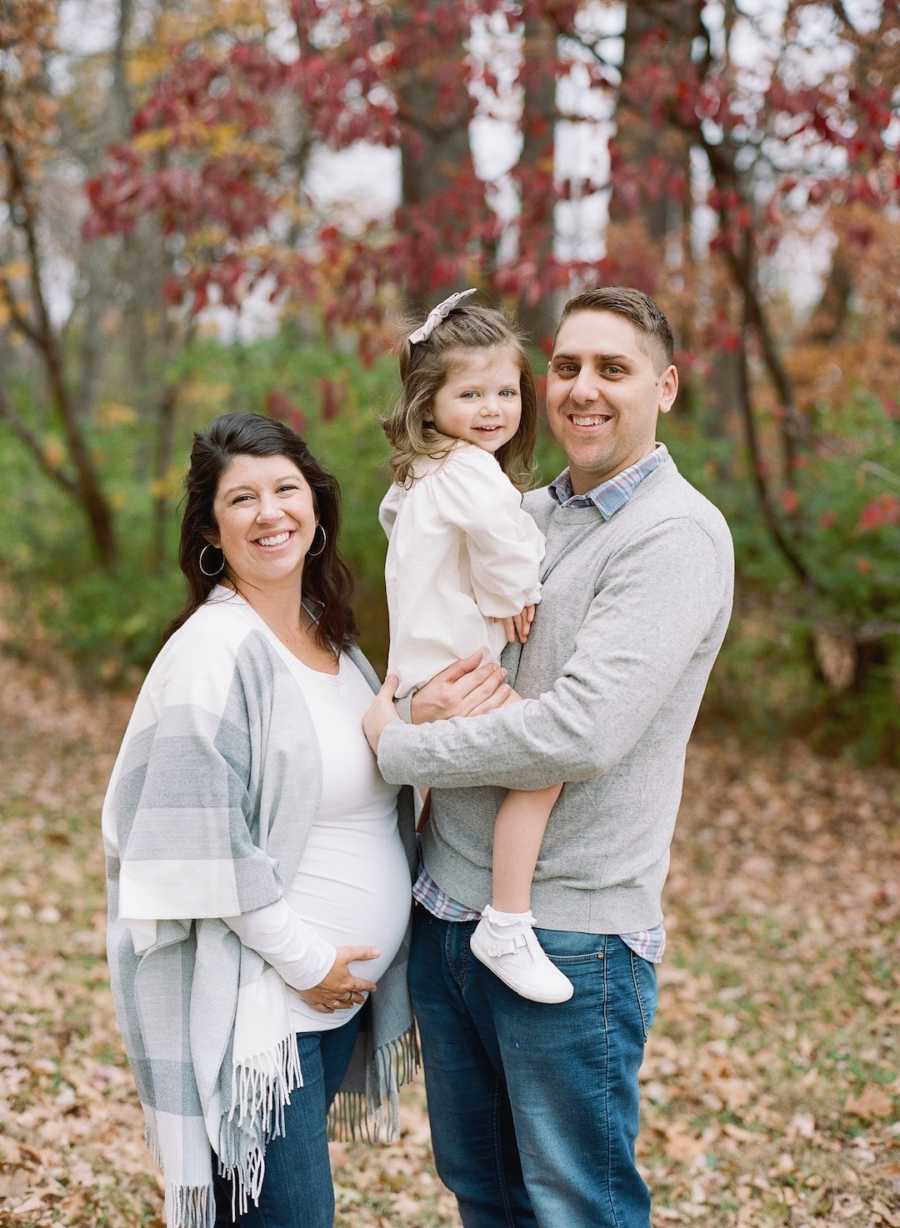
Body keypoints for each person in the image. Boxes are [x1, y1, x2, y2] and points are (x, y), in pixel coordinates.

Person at [363, 287, 735, 1228]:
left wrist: (404, 746)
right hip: (448, 910)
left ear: (668, 386)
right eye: (567, 366)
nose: (581, 389)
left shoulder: (674, 536)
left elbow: (580, 732)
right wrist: (413, 701)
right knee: (484, 1194)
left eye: (613, 369)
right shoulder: (521, 506)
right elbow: (439, 649)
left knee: (575, 1207)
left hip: (569, 934)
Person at [102, 413, 418, 1228]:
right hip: (267, 1007)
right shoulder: (215, 650)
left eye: (286, 489)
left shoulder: (333, 638)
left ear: (315, 505)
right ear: (212, 528)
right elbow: (196, 840)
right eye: (242, 498)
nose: (270, 512)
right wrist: (309, 960)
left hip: (331, 1004)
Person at [379, 289, 571, 1005]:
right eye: (470, 394)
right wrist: (513, 597)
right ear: (428, 403)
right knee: (542, 764)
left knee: (436, 805)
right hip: (456, 670)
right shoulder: (470, 472)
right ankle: (508, 922)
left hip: (422, 671)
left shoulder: (421, 472)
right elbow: (505, 544)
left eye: (504, 391)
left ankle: (419, 913)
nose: (493, 408)